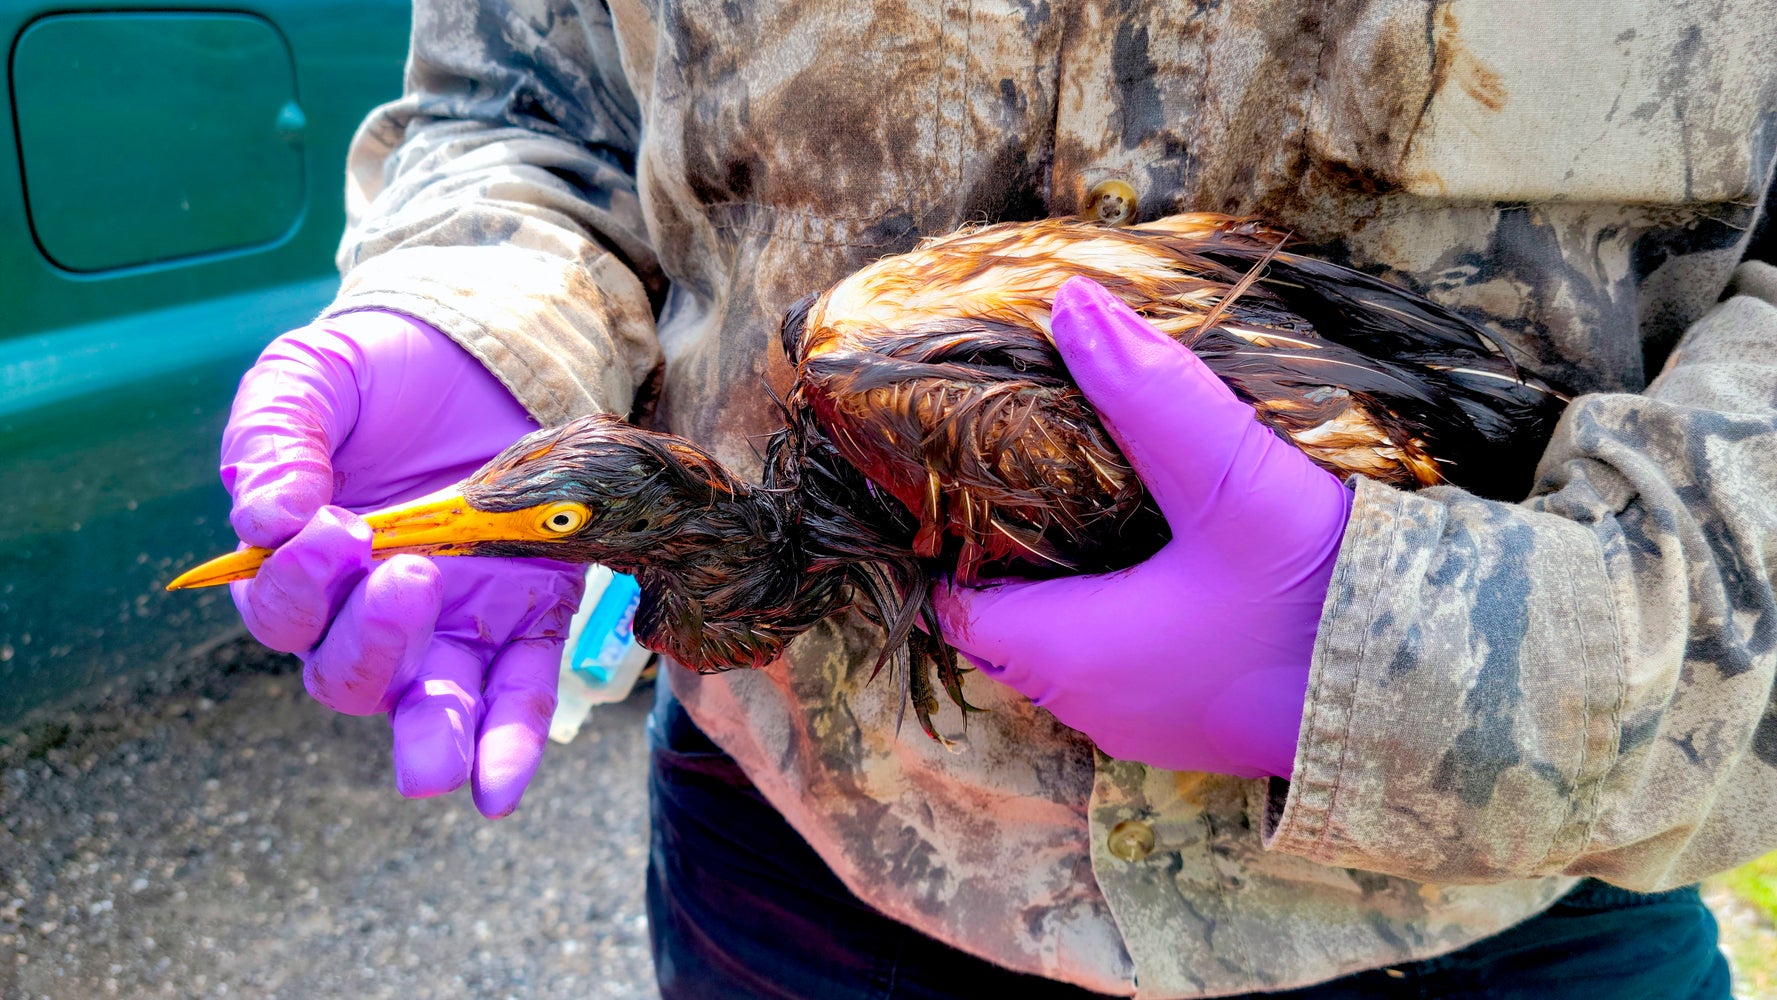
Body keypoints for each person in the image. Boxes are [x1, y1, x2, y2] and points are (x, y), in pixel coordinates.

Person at [220, 2, 1777, 996]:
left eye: (556, 523)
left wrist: (1445, 653)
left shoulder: (903, 416)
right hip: (794, 877)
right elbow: (534, 107)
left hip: (1482, 905)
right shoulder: (838, 436)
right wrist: (487, 318)